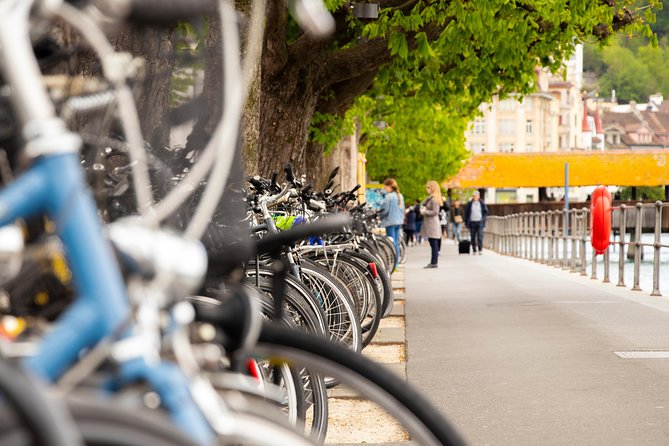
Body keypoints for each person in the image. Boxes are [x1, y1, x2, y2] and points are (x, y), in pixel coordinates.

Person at [378, 178, 404, 269]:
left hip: (390, 222)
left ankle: (393, 264)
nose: (385, 189)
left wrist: (379, 216)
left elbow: (384, 210)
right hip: (398, 222)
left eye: (385, 187)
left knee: (391, 244)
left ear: (389, 186)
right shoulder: (400, 196)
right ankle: (396, 263)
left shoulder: (389, 197)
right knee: (395, 243)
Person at [420, 180, 443, 268]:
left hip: (432, 224)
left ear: (432, 188)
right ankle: (433, 262)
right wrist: (428, 197)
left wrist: (425, 212)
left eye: (428, 187)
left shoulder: (434, 200)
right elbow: (422, 203)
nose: (427, 189)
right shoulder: (431, 198)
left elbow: (435, 212)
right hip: (430, 224)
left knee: (434, 244)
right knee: (432, 243)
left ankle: (434, 262)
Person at [464, 191, 489, 255]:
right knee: (472, 236)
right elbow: (466, 213)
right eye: (474, 196)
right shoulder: (469, 204)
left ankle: (480, 249)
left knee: (480, 236)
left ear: (478, 196)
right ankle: (474, 250)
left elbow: (486, 212)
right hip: (472, 222)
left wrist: (483, 219)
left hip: (480, 221)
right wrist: (466, 222)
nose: (475, 197)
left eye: (476, 196)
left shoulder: (482, 203)